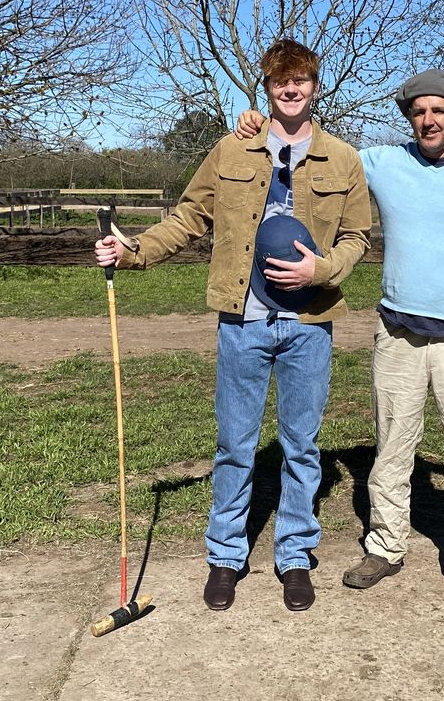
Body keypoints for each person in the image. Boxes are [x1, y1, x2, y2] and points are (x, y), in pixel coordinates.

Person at [235, 69, 444, 610]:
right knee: (391, 448)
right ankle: (385, 546)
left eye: (439, 111)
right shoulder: (383, 162)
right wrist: (263, 121)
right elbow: (319, 149)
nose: (427, 120)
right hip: (397, 331)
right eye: (418, 112)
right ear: (409, 117)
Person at [96, 38, 371, 612]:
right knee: (235, 444)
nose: (290, 90)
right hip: (242, 322)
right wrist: (134, 252)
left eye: (300, 81)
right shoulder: (232, 149)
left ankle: (295, 556)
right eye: (279, 82)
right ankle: (225, 556)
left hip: (309, 322)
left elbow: (356, 237)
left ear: (315, 87)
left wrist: (323, 268)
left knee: (302, 446)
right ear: (267, 88)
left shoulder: (343, 158)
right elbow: (190, 217)